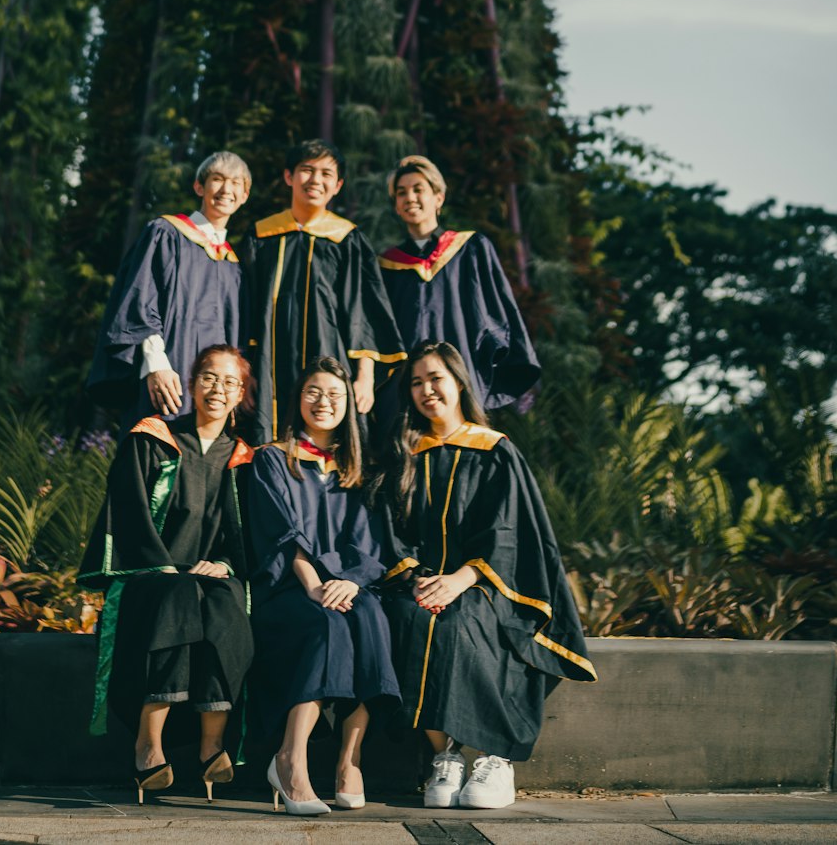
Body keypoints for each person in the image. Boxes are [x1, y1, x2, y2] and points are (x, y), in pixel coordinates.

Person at [375, 341, 594, 811]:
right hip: (423, 580)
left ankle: (496, 759)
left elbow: (509, 532)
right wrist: (416, 577)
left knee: (461, 624)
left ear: (458, 383)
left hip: (488, 584)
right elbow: (392, 529)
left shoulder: (494, 450)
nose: (426, 390)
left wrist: (461, 579)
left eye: (435, 378)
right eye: (416, 382)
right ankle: (445, 756)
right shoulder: (407, 453)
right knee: (409, 619)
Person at [78, 345, 256, 805]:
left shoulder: (244, 459)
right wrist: (163, 566)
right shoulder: (151, 439)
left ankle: (210, 744)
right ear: (192, 384)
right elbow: (130, 514)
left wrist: (227, 564)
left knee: (223, 599)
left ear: (241, 395)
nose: (218, 389)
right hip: (149, 576)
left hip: (206, 579)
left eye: (229, 382)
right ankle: (148, 742)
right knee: (179, 596)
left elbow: (248, 536)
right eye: (209, 378)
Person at [247, 356, 400, 814]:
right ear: (298, 399)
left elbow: (373, 542)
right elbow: (280, 533)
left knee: (372, 616)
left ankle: (348, 760)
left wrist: (351, 583)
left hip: (348, 588)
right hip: (289, 591)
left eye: (335, 394)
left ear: (349, 405)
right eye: (313, 391)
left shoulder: (362, 468)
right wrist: (315, 584)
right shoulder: (273, 459)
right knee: (326, 625)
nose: (324, 401)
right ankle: (290, 759)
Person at [240, 139, 404, 443]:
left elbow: (363, 311)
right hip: (267, 365)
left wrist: (365, 377)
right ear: (289, 177)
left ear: (338, 185)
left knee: (335, 443)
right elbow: (244, 307)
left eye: (326, 174)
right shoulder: (262, 236)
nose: (316, 180)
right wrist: (245, 370)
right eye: (307, 170)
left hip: (331, 358)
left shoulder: (347, 240)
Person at [377, 156, 540, 431]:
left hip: (461, 378)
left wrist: (487, 368)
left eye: (418, 189)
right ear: (396, 205)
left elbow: (498, 315)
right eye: (401, 192)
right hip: (407, 391)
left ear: (438, 198)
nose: (410, 197)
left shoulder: (470, 249)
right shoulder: (388, 265)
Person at [88, 152, 250, 420]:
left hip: (215, 397)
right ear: (199, 186)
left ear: (244, 195)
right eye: (217, 179)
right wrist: (155, 365)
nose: (226, 189)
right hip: (168, 375)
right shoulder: (166, 234)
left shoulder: (233, 265)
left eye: (236, 183)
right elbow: (141, 300)